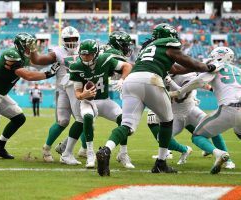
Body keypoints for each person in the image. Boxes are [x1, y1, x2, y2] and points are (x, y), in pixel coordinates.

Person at [95, 23, 218, 176]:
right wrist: (207, 67)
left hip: (131, 81)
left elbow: (176, 69)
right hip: (151, 79)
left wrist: (198, 67)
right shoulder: (168, 44)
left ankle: (106, 150)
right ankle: (161, 162)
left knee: (127, 125)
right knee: (167, 121)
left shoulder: (148, 49)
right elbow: (187, 61)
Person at [0, 33, 59, 162]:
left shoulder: (23, 56)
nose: (31, 48)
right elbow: (27, 75)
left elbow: (37, 64)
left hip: (0, 94)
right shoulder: (12, 54)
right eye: (28, 45)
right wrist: (49, 73)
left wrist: (56, 61)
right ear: (20, 45)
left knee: (19, 118)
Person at [56, 31, 135, 168]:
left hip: (104, 99)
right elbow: (78, 94)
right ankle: (88, 153)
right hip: (86, 99)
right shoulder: (77, 66)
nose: (86, 58)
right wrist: (84, 95)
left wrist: (122, 80)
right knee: (84, 118)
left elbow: (127, 67)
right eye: (83, 54)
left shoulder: (105, 58)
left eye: (89, 55)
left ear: (96, 54)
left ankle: (123, 153)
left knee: (124, 120)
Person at [170, 46, 238, 174]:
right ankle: (227, 160)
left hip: (228, 107)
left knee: (197, 136)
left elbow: (199, 81)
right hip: (177, 113)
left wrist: (178, 91)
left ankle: (219, 154)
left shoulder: (215, 67)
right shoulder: (238, 70)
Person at [148, 73, 235, 169]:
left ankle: (228, 160)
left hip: (192, 111)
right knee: (161, 138)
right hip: (176, 115)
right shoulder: (161, 74)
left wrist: (170, 81)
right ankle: (184, 150)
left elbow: (182, 94)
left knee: (214, 130)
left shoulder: (187, 74)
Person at [28, 26, 82, 164]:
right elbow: (38, 61)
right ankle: (46, 148)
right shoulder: (57, 52)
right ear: (63, 40)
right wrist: (33, 50)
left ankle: (73, 147)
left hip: (79, 90)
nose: (71, 42)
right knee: (63, 121)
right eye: (68, 39)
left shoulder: (84, 49)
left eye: (74, 39)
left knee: (84, 120)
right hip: (63, 90)